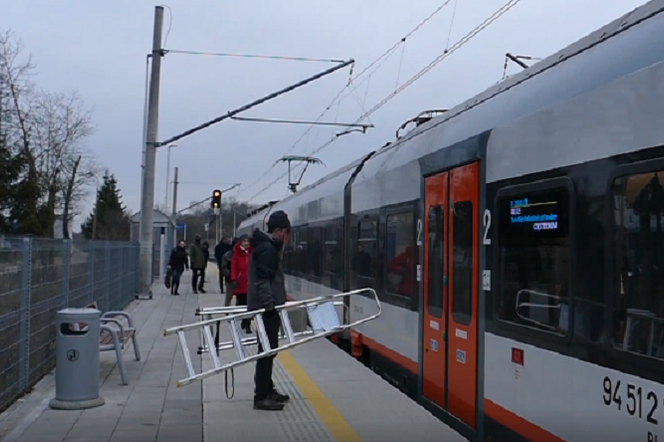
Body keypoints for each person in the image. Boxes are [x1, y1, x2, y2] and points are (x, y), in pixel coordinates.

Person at [248, 210, 291, 411]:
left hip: (268, 307)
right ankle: (261, 396)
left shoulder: (268, 247)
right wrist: (270, 306)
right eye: (286, 232)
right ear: (278, 230)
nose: (287, 237)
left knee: (269, 350)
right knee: (266, 351)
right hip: (267, 310)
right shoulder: (268, 250)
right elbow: (262, 281)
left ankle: (268, 388)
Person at [231, 234, 253, 333]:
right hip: (240, 283)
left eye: (248, 241)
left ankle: (248, 323)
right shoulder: (237, 254)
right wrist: (234, 279)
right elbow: (233, 267)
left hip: (251, 284)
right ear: (241, 242)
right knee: (241, 304)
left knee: (250, 305)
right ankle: (243, 319)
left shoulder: (252, 253)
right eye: (244, 241)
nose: (246, 243)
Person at [221, 238, 238, 306]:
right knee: (228, 297)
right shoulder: (227, 255)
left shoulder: (242, 255)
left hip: (240, 280)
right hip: (230, 280)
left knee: (240, 298)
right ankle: (226, 310)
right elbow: (223, 267)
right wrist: (229, 274)